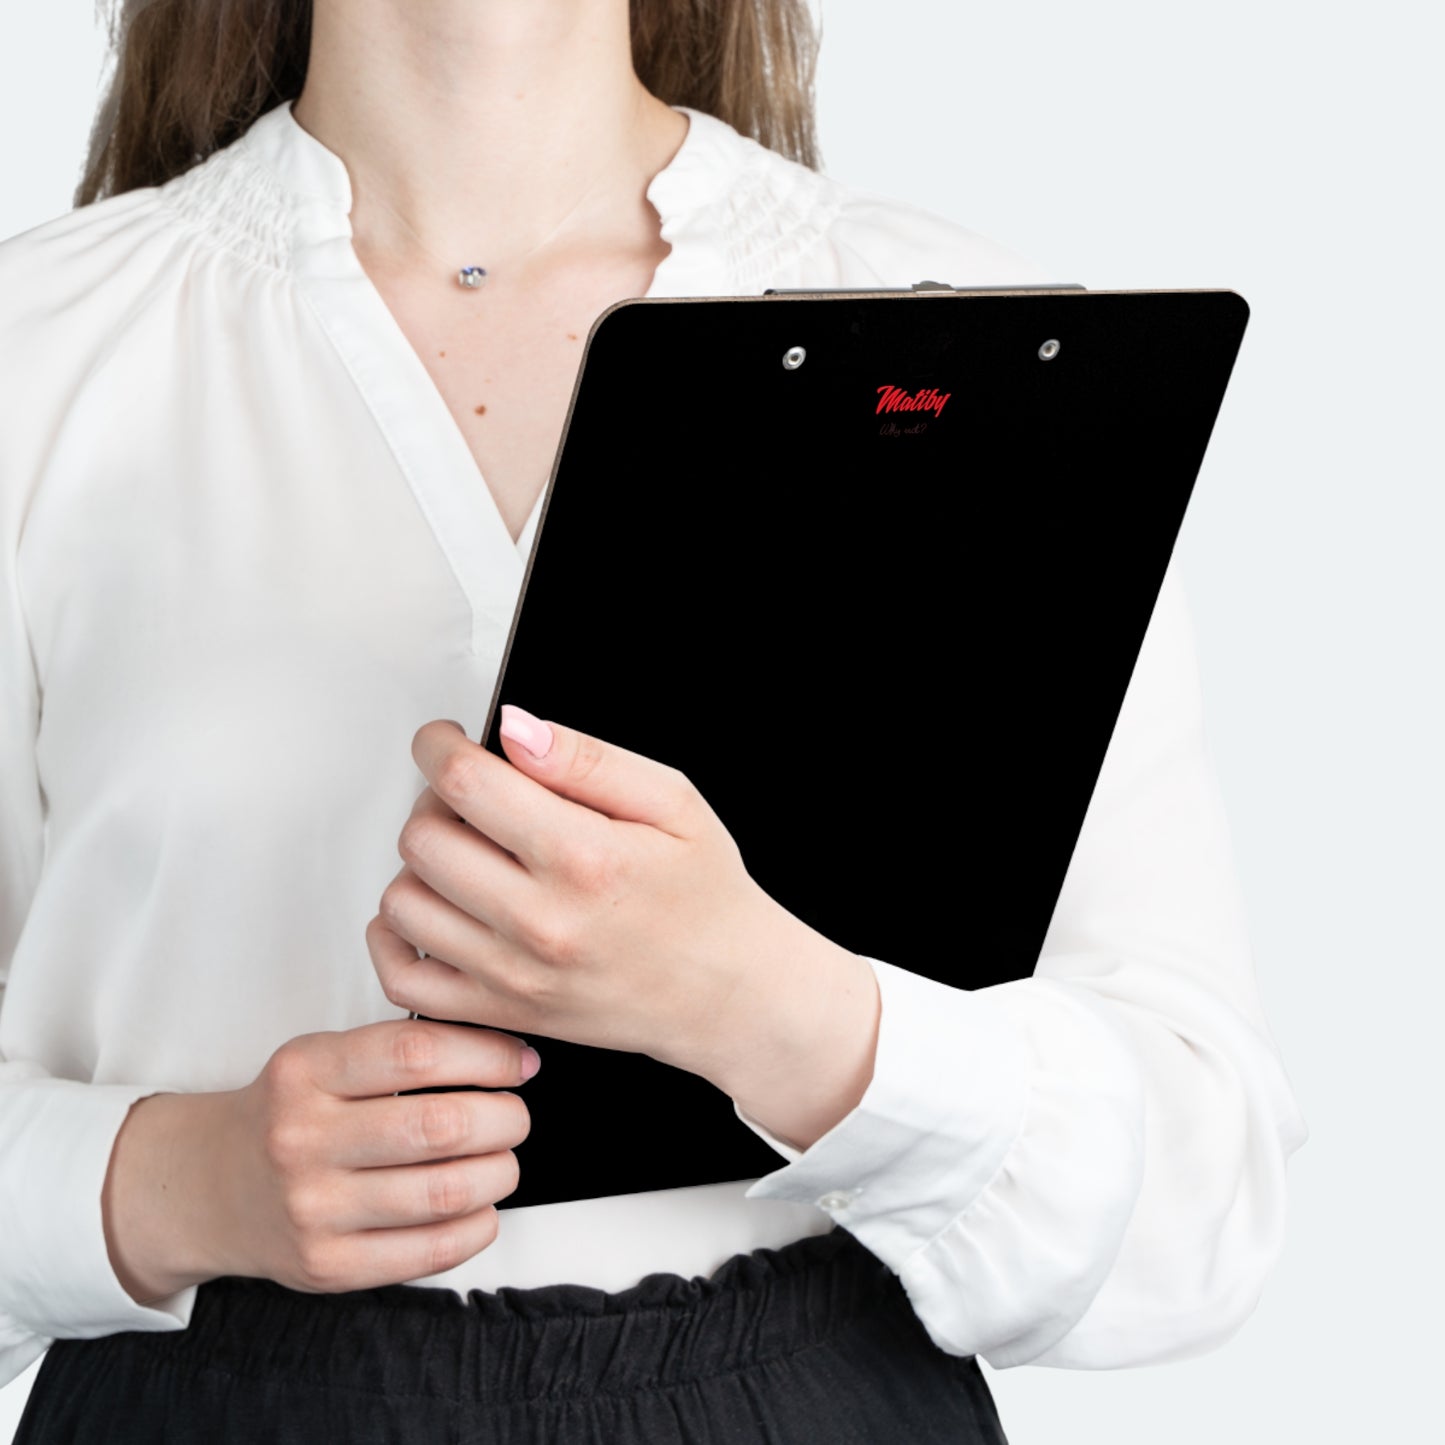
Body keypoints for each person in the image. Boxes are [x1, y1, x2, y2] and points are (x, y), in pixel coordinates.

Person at [0, 0, 1309, 1439]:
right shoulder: (38, 352)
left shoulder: (986, 346)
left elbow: (1198, 1203)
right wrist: (171, 1184)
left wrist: (769, 1009)